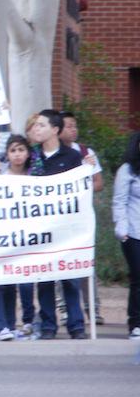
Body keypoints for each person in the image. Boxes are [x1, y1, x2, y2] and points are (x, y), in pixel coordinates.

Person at [28, 109, 85, 340]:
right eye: (35, 126)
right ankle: (48, 325)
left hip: (65, 228)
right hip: (40, 228)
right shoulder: (32, 156)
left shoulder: (72, 157)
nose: (36, 129)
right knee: (44, 278)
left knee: (70, 278)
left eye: (41, 125)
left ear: (55, 129)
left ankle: (76, 325)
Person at [0, 134, 34, 340]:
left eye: (21, 149)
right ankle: (0, 326)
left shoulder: (35, 177)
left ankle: (11, 325)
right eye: (13, 150)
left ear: (28, 153)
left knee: (13, 281)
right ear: (7, 154)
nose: (17, 154)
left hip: (24, 237)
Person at [59, 110, 104, 325]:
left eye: (75, 125)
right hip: (60, 218)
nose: (73, 129)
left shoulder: (86, 153)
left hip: (81, 217)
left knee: (86, 262)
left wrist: (81, 186)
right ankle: (65, 308)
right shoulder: (54, 154)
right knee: (59, 262)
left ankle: (92, 308)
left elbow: (98, 183)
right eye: (68, 126)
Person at [111, 131, 140, 340]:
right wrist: (122, 231)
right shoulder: (128, 170)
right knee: (138, 278)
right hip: (134, 232)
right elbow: (119, 201)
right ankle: (136, 323)